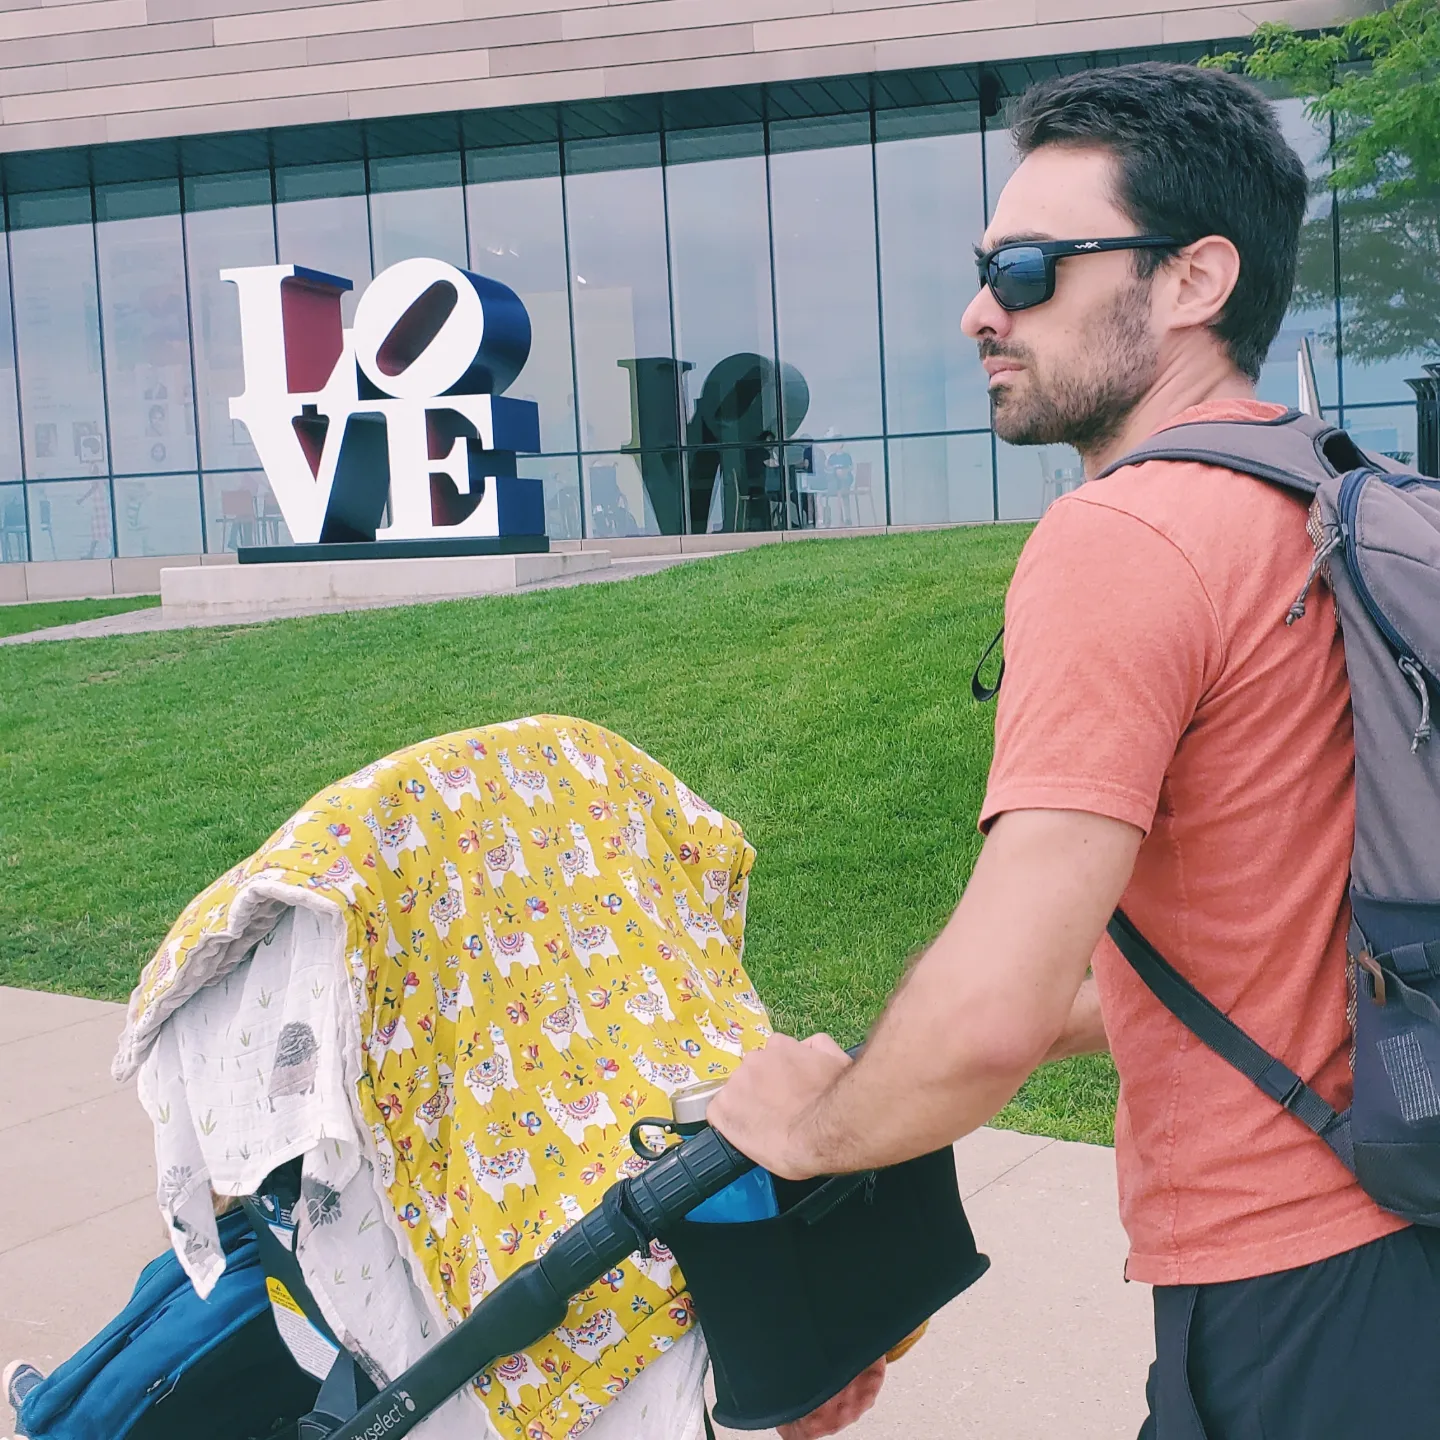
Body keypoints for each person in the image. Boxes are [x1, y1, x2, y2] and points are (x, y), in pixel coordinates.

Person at [709, 61, 1440, 1439]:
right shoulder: (1323, 497)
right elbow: (1242, 943)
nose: (982, 310)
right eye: (985, 270)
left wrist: (805, 1134)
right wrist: (883, 1088)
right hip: (1410, 1224)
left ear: (1193, 279)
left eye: (1029, 268)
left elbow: (993, 1008)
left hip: (1287, 1286)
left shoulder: (1125, 536)